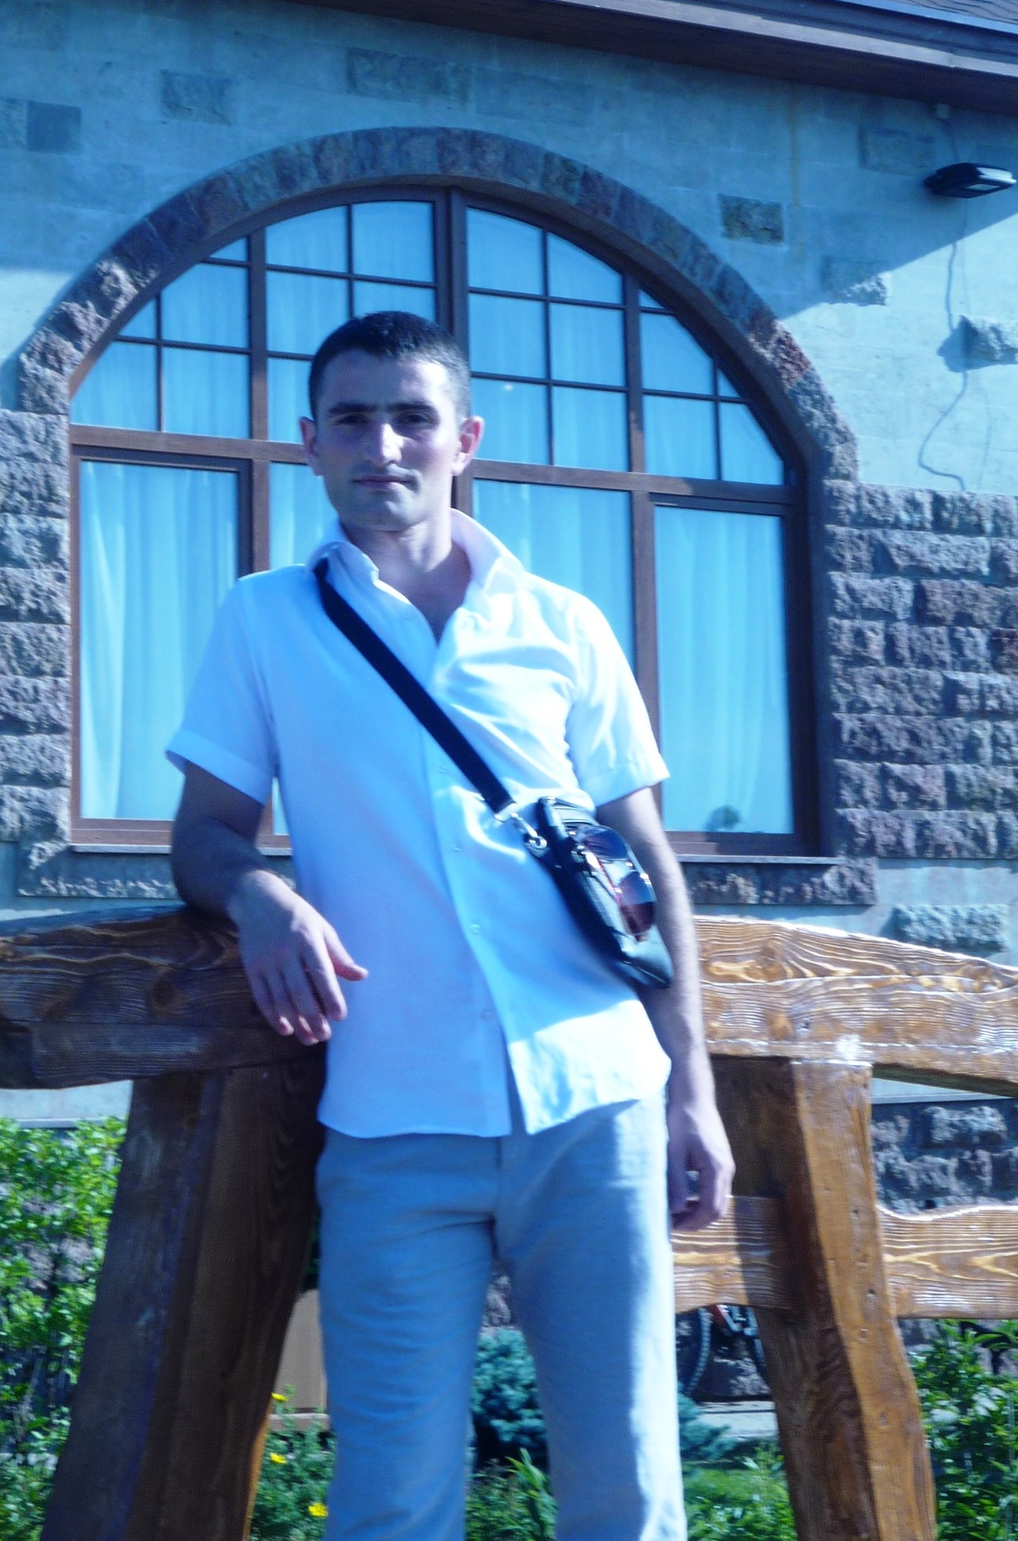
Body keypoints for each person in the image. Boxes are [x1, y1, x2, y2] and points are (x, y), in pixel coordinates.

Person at [168, 309, 732, 1541]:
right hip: (393, 1116)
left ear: (463, 438)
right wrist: (261, 895)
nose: (384, 444)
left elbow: (647, 866)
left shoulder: (564, 623)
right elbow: (203, 831)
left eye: (411, 417)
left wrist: (693, 1090)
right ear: (311, 440)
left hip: (594, 1098)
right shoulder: (265, 620)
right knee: (390, 1499)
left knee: (628, 1488)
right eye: (354, 418)